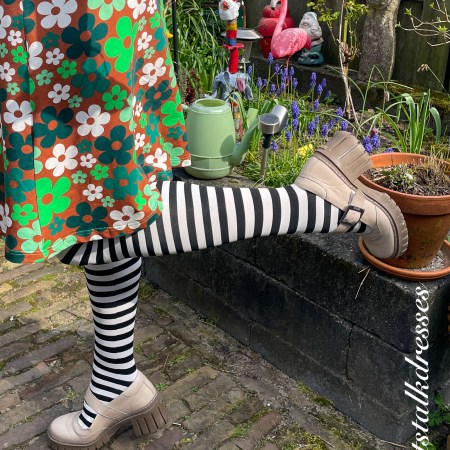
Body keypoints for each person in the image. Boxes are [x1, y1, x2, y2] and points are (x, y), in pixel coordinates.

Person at [0, 1, 408, 449]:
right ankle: (115, 381)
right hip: (72, 19)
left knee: (73, 218)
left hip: (55, 19)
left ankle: (320, 204)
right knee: (105, 199)